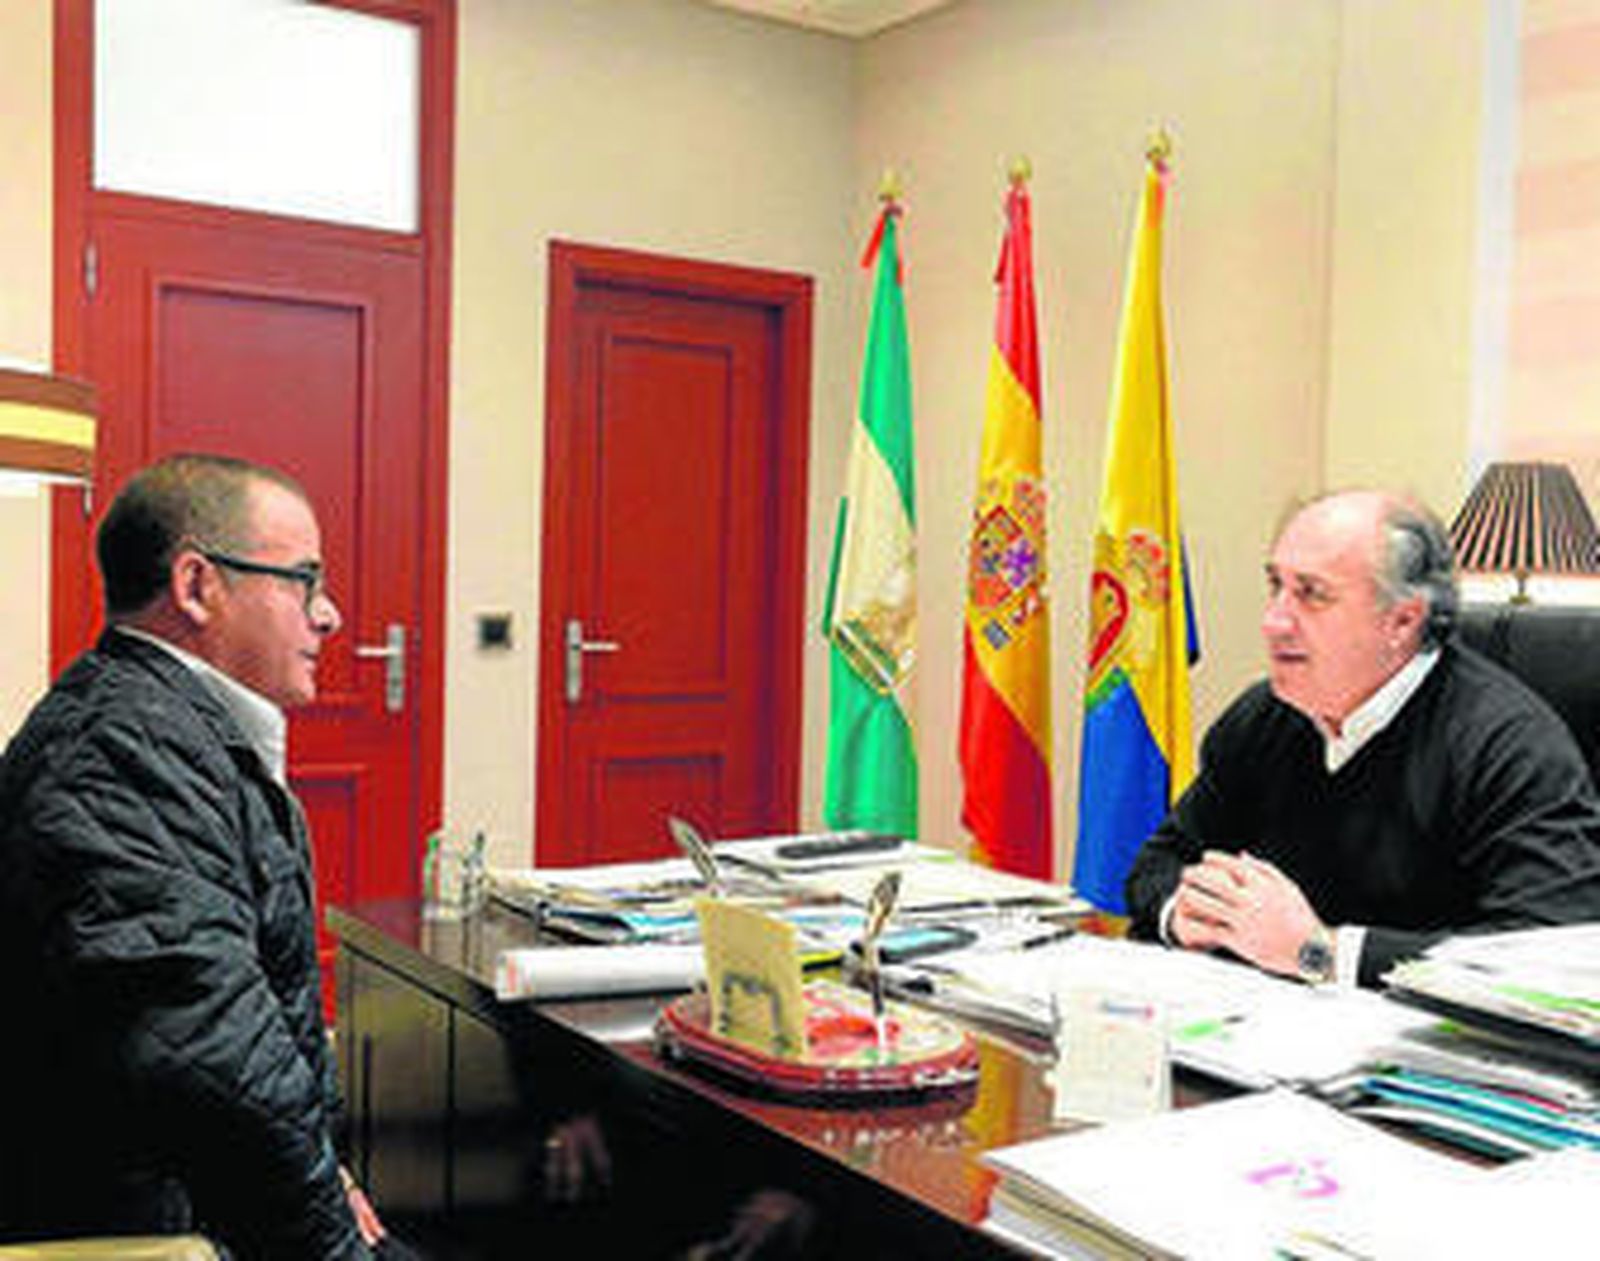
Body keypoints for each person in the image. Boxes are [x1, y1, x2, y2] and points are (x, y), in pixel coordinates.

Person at [0, 455, 393, 1257]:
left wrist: (330, 1174)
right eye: (303, 579)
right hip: (130, 1227)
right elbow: (218, 1066)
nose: (330, 614)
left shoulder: (162, 728)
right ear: (195, 585)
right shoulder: (117, 755)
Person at [1125, 489, 1600, 988]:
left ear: (1402, 620)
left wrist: (1319, 953)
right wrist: (1185, 913)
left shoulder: (1508, 746)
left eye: (1311, 594)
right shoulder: (1264, 717)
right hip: (1260, 1036)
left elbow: (1552, 954)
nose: (1274, 621)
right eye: (1276, 585)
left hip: (1429, 1053)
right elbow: (1159, 862)